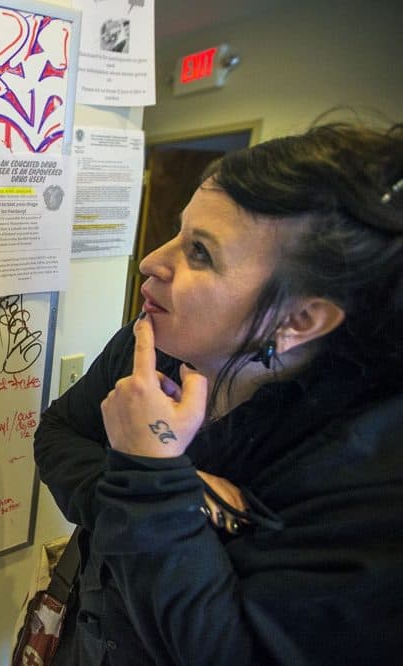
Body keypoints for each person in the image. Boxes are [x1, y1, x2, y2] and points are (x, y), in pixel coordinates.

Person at [33, 122, 403, 664]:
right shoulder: (150, 342)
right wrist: (183, 499)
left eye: (200, 252)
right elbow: (59, 434)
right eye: (179, 233)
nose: (152, 261)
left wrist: (152, 473)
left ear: (299, 318)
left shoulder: (368, 475)